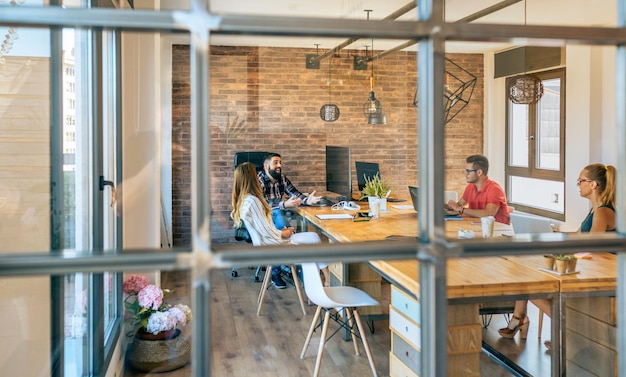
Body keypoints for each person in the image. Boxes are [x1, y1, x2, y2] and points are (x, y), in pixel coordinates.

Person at [499, 163, 617, 348]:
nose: (578, 184)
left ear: (593, 184)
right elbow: (578, 236)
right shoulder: (595, 210)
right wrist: (551, 234)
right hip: (588, 265)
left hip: (598, 271)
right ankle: (520, 317)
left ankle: (565, 326)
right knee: (525, 274)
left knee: (528, 284)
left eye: (581, 181)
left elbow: (593, 244)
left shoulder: (603, 212)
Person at [232, 162, 326, 289]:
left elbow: (265, 228)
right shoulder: (253, 201)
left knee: (309, 237)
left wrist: (306, 201)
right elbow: (267, 232)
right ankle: (325, 280)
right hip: (273, 246)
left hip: (268, 243)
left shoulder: (246, 199)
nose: (258, 176)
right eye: (255, 174)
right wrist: (284, 233)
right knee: (313, 238)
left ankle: (321, 281)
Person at [258, 153, 324, 287]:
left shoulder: (282, 178)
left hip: (278, 216)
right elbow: (261, 205)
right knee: (278, 216)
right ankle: (278, 270)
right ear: (266, 166)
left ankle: (285, 262)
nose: (279, 166)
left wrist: (307, 200)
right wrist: (284, 205)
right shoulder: (259, 180)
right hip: (263, 218)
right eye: (276, 162)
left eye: (280, 162)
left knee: (280, 219)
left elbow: (296, 194)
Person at [445, 154, 510, 224]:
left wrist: (460, 209)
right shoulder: (470, 187)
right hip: (478, 227)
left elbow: (489, 214)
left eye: (468, 171)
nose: (465, 174)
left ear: (479, 172)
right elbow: (458, 206)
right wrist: (449, 205)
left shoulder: (494, 189)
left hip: (498, 231)